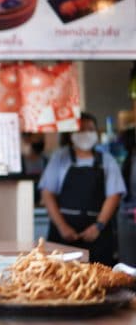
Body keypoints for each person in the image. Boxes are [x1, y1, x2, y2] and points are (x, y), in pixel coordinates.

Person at [39, 112, 126, 265]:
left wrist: (98, 226)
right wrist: (62, 226)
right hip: (63, 234)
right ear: (72, 133)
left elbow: (114, 195)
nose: (86, 133)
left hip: (98, 234)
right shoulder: (60, 157)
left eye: (90, 129)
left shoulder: (107, 160)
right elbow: (47, 193)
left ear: (96, 133)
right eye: (81, 129)